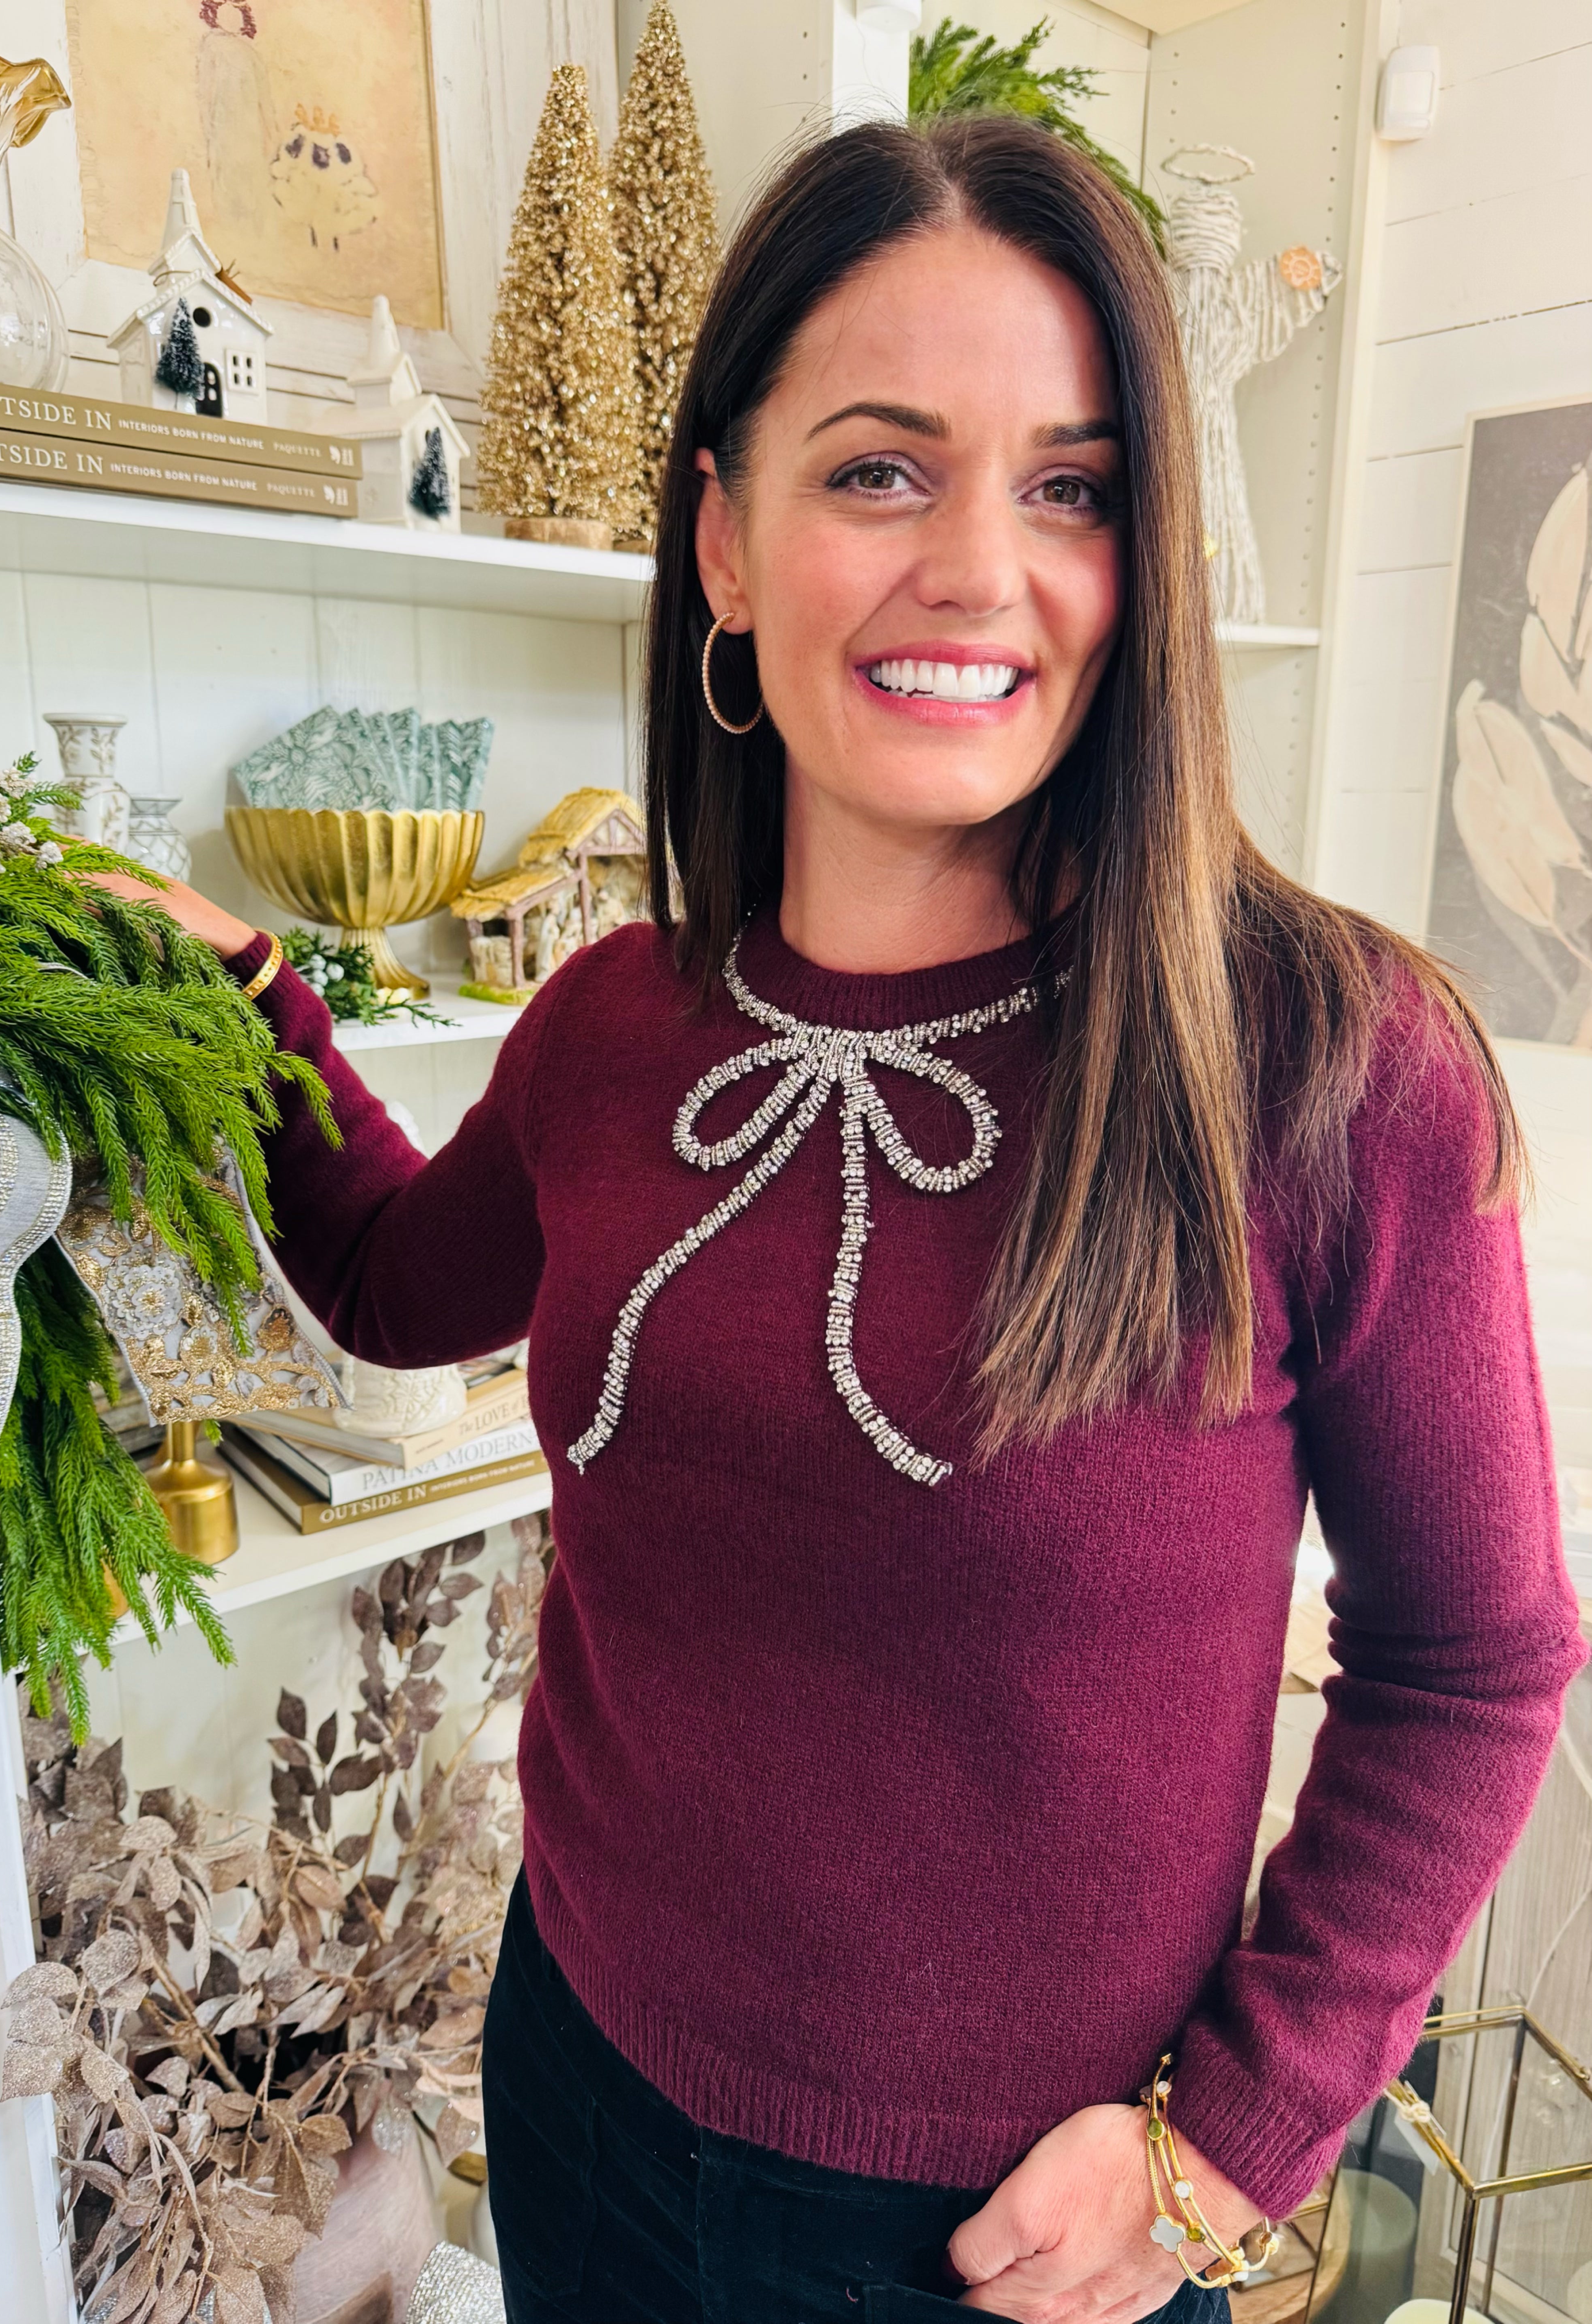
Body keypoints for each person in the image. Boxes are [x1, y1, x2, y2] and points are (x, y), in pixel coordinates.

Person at [100, 117, 1583, 2324]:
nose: (980, 569)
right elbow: (399, 1287)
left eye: (1072, 489)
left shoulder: (1326, 1068)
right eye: (883, 471)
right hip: (579, 2089)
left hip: (1000, 2245)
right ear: (723, 534)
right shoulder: (613, 1025)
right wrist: (249, 1002)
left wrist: (1230, 2149)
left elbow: (1472, 1662)